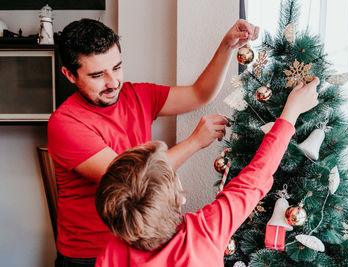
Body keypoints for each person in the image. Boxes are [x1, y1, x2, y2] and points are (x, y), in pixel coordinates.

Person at [47, 18, 259, 266]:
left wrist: (227, 46)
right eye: (97, 75)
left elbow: (199, 93)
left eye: (117, 67)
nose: (113, 82)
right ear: (69, 75)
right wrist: (194, 142)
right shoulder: (65, 123)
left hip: (138, 243)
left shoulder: (137, 95)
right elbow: (130, 179)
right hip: (89, 254)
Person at [94, 78, 320, 267]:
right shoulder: (203, 233)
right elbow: (254, 177)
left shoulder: (111, 254)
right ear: (180, 198)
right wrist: (291, 112)